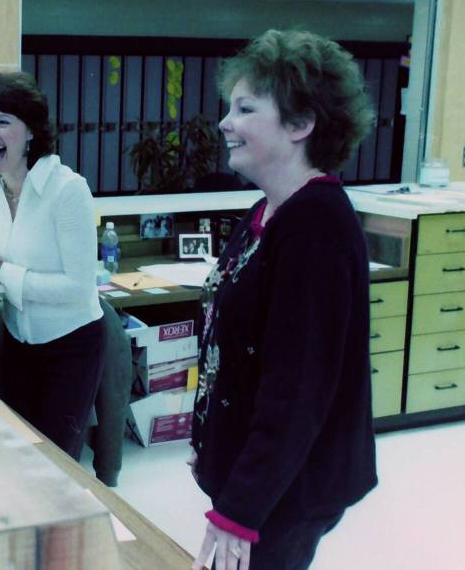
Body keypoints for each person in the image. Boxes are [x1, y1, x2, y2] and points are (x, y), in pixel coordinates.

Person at [189, 29, 377, 570]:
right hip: (262, 474)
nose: (225, 122)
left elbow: (297, 390)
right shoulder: (266, 214)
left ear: (300, 124)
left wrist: (240, 509)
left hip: (288, 487)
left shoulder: (315, 227)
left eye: (245, 108)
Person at [0, 70, 105, 460]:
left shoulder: (67, 190)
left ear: (30, 133)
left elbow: (78, 287)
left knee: (57, 462)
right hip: (17, 341)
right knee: (19, 453)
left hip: (70, 346)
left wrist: (1, 273)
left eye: (3, 122)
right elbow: (2, 258)